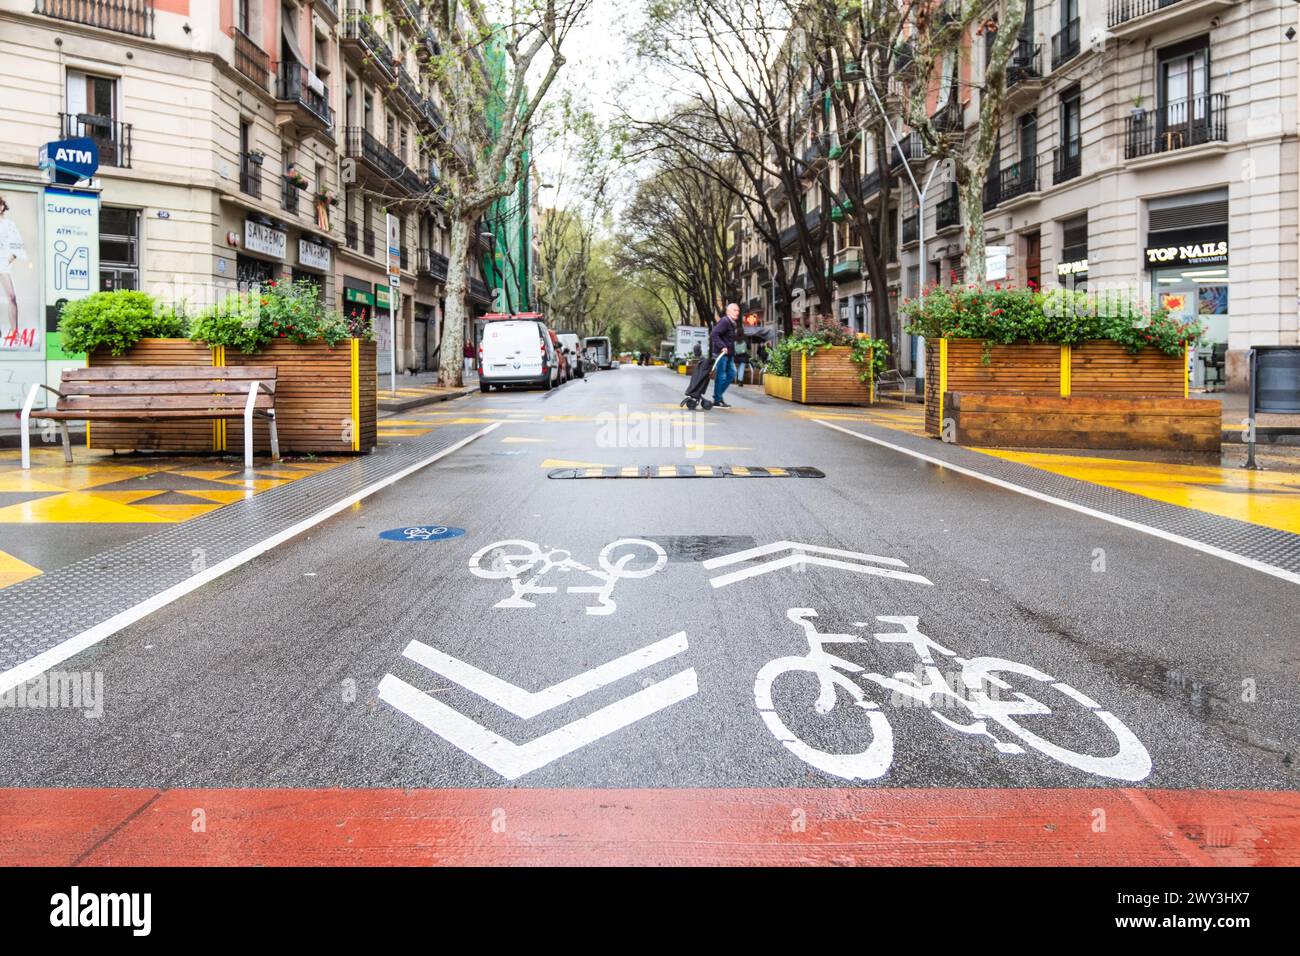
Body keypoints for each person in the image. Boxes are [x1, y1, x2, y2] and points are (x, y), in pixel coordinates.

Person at [0, 195, 28, 339]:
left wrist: (9, 259)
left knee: (11, 297)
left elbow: (18, 244)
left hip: (3, 263)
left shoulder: (9, 224)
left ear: (2, 206)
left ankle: (14, 332)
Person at [710, 300, 739, 408]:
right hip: (721, 354)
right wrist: (722, 346)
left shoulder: (731, 323)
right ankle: (717, 399)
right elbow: (714, 334)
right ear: (728, 311)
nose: (737, 312)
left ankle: (717, 396)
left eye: (738, 310)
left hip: (729, 355)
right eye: (734, 310)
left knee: (732, 373)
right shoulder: (725, 321)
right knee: (721, 376)